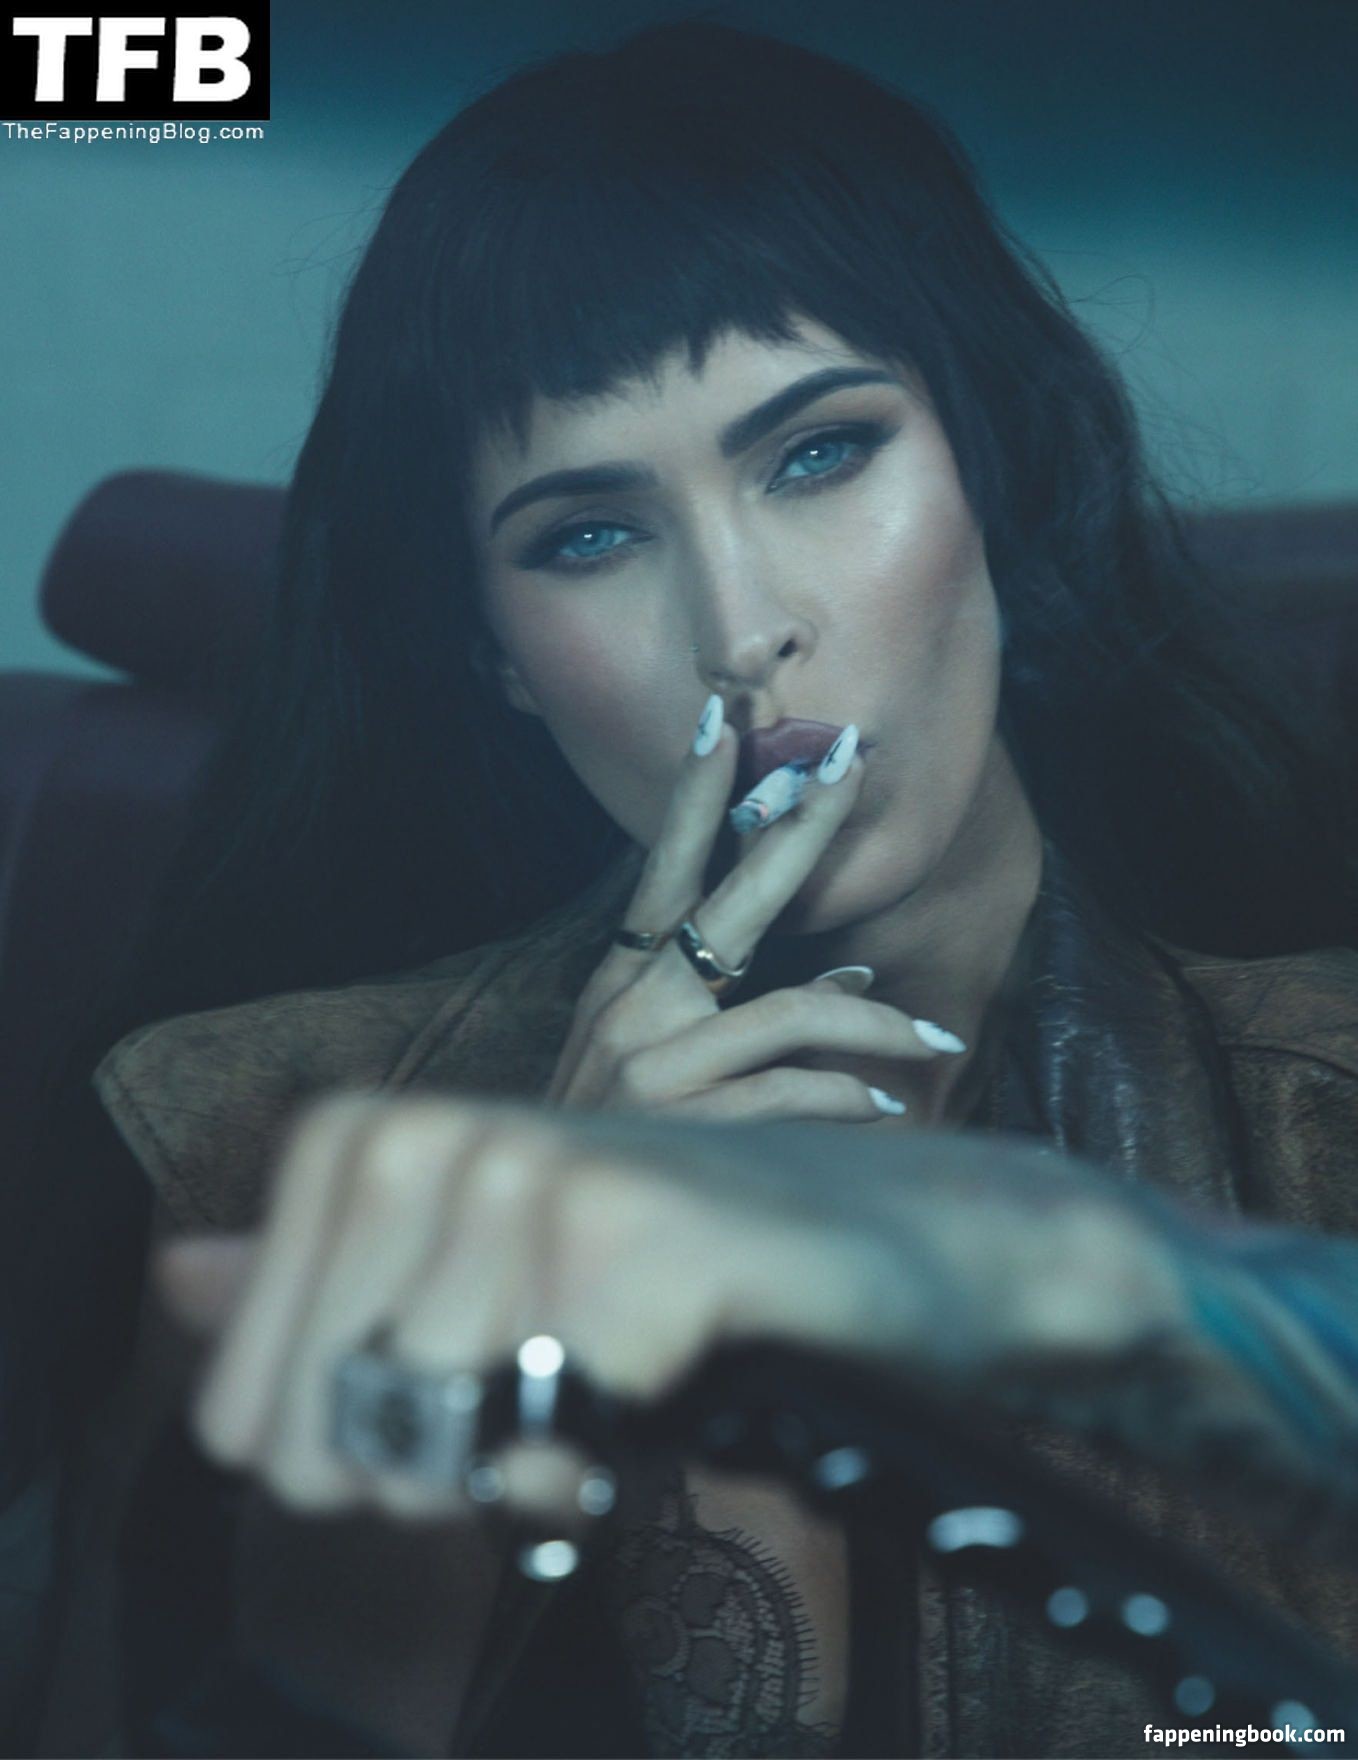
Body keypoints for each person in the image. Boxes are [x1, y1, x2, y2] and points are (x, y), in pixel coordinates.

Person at [22, 19, 1358, 1759]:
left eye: (818, 454)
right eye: (589, 536)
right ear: (497, 658)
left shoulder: (1323, 1127)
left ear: (997, 465)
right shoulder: (239, 1143)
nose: (740, 632)